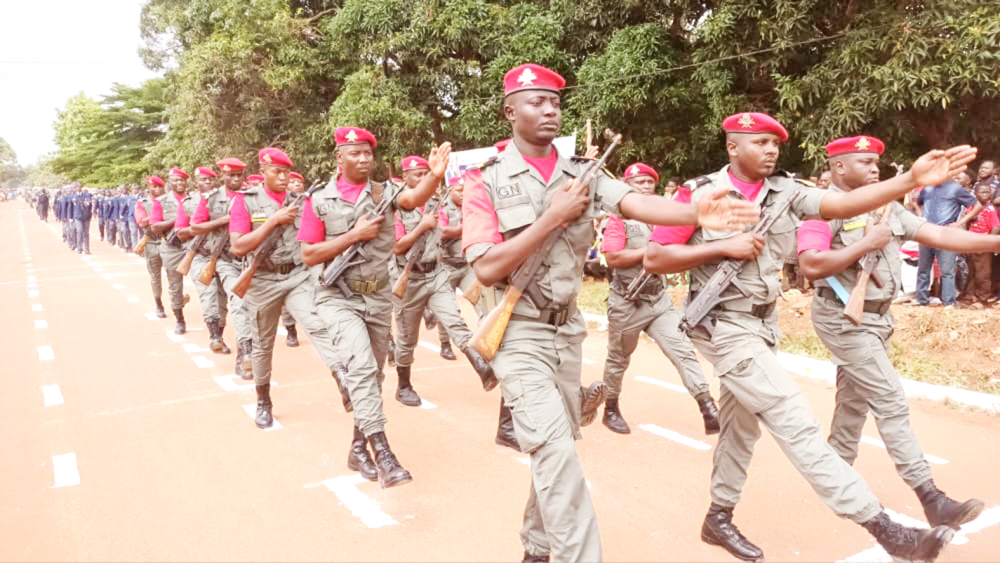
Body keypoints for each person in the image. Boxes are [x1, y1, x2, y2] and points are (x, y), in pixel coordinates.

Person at [643, 112, 976, 563]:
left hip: (763, 326)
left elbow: (840, 206)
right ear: (732, 147)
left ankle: (717, 518)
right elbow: (656, 257)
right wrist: (720, 246)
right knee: (792, 417)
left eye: (774, 143)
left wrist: (908, 181)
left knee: (741, 426)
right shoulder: (701, 192)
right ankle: (887, 530)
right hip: (724, 327)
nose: (770, 150)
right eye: (759, 142)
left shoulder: (786, 191)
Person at [461, 64, 759, 563]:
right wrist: (551, 217)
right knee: (554, 451)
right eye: (536, 101)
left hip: (566, 332)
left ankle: (536, 551)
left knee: (556, 452)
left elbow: (642, 205)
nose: (550, 109)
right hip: (515, 332)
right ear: (510, 111)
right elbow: (487, 267)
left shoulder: (583, 173)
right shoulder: (484, 181)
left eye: (555, 101)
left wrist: (702, 212)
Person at [797, 134, 986, 532]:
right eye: (865, 163)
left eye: (876, 163)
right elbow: (812, 266)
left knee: (853, 401)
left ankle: (834, 474)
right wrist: (866, 243)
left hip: (879, 318)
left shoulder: (887, 206)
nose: (875, 169)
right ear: (839, 167)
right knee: (890, 401)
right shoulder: (818, 209)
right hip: (843, 318)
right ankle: (931, 498)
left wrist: (996, 242)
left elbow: (941, 235)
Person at [299, 129, 456, 488]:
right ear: (340, 157)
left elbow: (414, 199)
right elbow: (309, 254)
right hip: (337, 296)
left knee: (371, 376)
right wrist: (353, 235)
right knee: (363, 366)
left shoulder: (384, 193)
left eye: (369, 152)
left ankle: (358, 446)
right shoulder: (319, 199)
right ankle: (384, 453)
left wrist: (434, 174)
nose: (365, 158)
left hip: (378, 297)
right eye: (355, 153)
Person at [228, 148, 346, 429]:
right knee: (262, 345)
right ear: (263, 171)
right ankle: (263, 400)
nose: (282, 177)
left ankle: (342, 377)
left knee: (317, 325)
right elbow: (238, 246)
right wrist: (273, 221)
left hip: (296, 276)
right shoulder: (245, 202)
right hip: (261, 281)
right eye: (276, 172)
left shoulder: (302, 201)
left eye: (286, 172)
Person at [599, 162, 719, 435]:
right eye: (637, 182)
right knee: (618, 359)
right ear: (625, 187)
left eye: (648, 182)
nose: (644, 186)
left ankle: (708, 407)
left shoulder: (665, 216)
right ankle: (610, 407)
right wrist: (654, 253)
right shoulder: (618, 219)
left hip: (657, 301)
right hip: (627, 302)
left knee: (682, 351)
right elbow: (613, 257)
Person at [390, 154, 496, 406]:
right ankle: (403, 385)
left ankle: (481, 367)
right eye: (417, 175)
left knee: (455, 321)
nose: (423, 179)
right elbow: (397, 247)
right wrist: (422, 227)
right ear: (405, 177)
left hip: (437, 274)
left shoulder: (435, 203)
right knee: (406, 340)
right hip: (409, 278)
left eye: (426, 174)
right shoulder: (395, 208)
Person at [209, 157, 255, 379]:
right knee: (238, 304)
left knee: (253, 309)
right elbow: (194, 226)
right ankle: (245, 355)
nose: (235, 179)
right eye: (231, 175)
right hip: (224, 260)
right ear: (223, 176)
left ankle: (246, 355)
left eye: (239, 175)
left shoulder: (252, 197)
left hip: (250, 260)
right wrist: (225, 220)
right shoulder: (210, 199)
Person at [179, 166, 231, 354]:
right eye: (203, 180)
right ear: (196, 182)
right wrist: (199, 229)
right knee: (208, 294)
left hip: (225, 255)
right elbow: (180, 230)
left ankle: (220, 333)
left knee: (222, 299)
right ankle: (214, 336)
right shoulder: (188, 203)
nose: (207, 183)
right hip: (200, 254)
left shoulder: (228, 199)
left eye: (210, 179)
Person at [915, 174, 977, 306]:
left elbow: (976, 205)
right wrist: (920, 217)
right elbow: (918, 202)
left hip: (946, 233)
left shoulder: (955, 188)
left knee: (947, 271)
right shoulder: (928, 187)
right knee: (923, 269)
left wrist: (960, 222)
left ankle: (948, 302)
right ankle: (921, 300)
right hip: (927, 232)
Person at [150, 168, 191, 334]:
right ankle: (180, 320)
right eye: (176, 180)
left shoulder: (194, 199)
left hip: (194, 245)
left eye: (182, 180)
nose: (179, 183)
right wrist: (178, 219)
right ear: (170, 182)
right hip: (172, 246)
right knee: (175, 285)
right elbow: (154, 226)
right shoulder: (161, 201)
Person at [953, 182, 1000, 306]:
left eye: (987, 192)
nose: (985, 194)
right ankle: (969, 296)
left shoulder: (990, 209)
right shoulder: (970, 209)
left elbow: (995, 227)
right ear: (976, 193)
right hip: (971, 243)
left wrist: (988, 243)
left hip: (983, 244)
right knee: (971, 272)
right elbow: (964, 225)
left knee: (983, 273)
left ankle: (982, 298)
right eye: (982, 192)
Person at [135, 176, 168, 318]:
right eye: (154, 187)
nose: (157, 189)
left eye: (160, 187)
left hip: (169, 242)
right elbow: (142, 222)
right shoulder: (142, 203)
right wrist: (158, 214)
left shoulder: (171, 201)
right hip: (151, 242)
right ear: (149, 188)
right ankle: (159, 304)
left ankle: (177, 301)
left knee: (174, 275)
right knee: (155, 276)